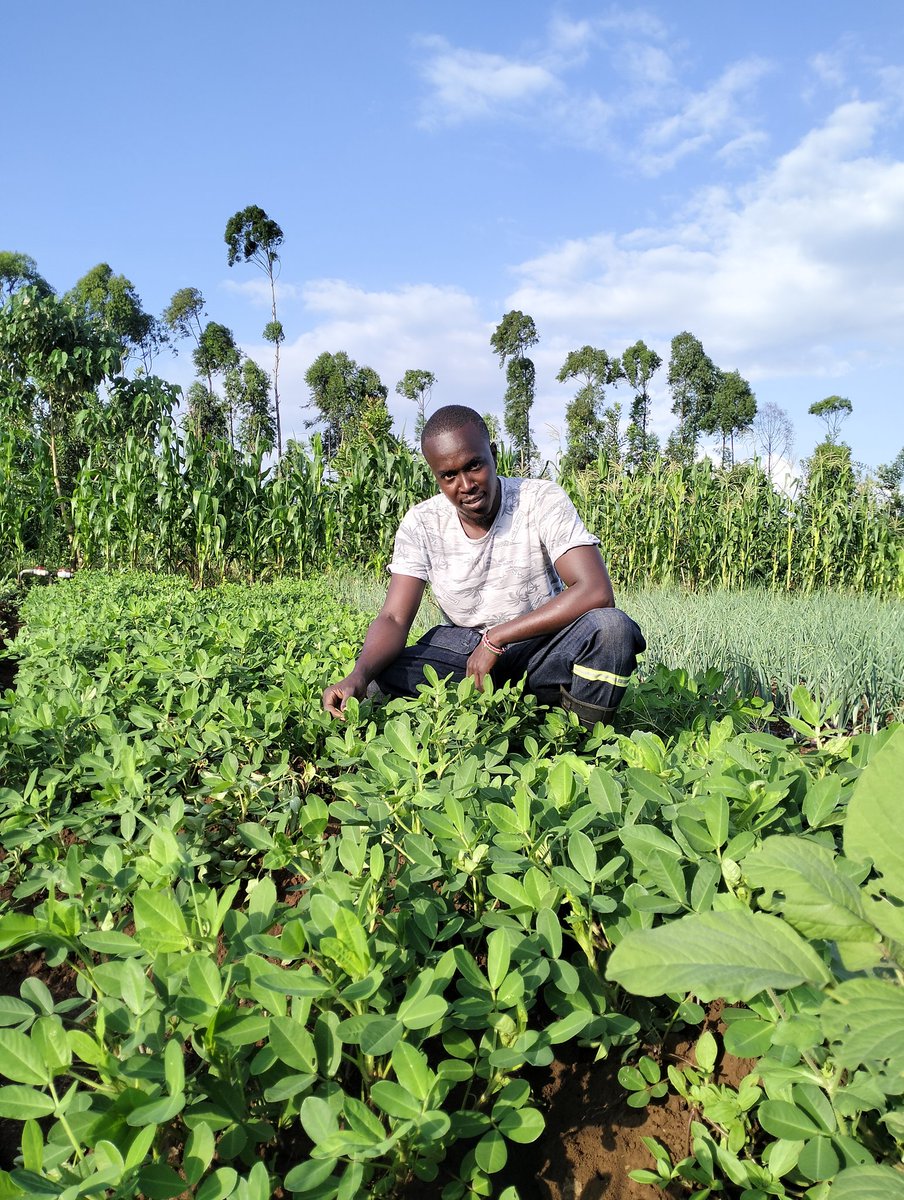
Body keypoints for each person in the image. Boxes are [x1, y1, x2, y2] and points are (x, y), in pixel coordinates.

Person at [321, 405, 645, 728]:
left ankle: (583, 742)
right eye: (449, 476)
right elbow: (393, 617)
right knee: (376, 679)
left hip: (542, 649)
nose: (466, 485)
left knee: (612, 629)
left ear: (492, 454)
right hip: (465, 657)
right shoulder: (422, 524)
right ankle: (496, 708)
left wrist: (498, 637)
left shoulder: (540, 500)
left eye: (474, 465)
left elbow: (595, 591)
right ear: (436, 475)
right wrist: (358, 674)